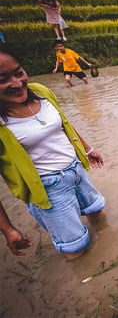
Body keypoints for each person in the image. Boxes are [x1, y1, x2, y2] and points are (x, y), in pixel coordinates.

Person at [0, 49, 105, 260]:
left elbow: (64, 123)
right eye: (2, 80)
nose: (17, 83)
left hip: (76, 170)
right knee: (75, 249)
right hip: (48, 188)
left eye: (18, 72)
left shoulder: (40, 91)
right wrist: (8, 229)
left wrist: (87, 149)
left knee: (97, 214)